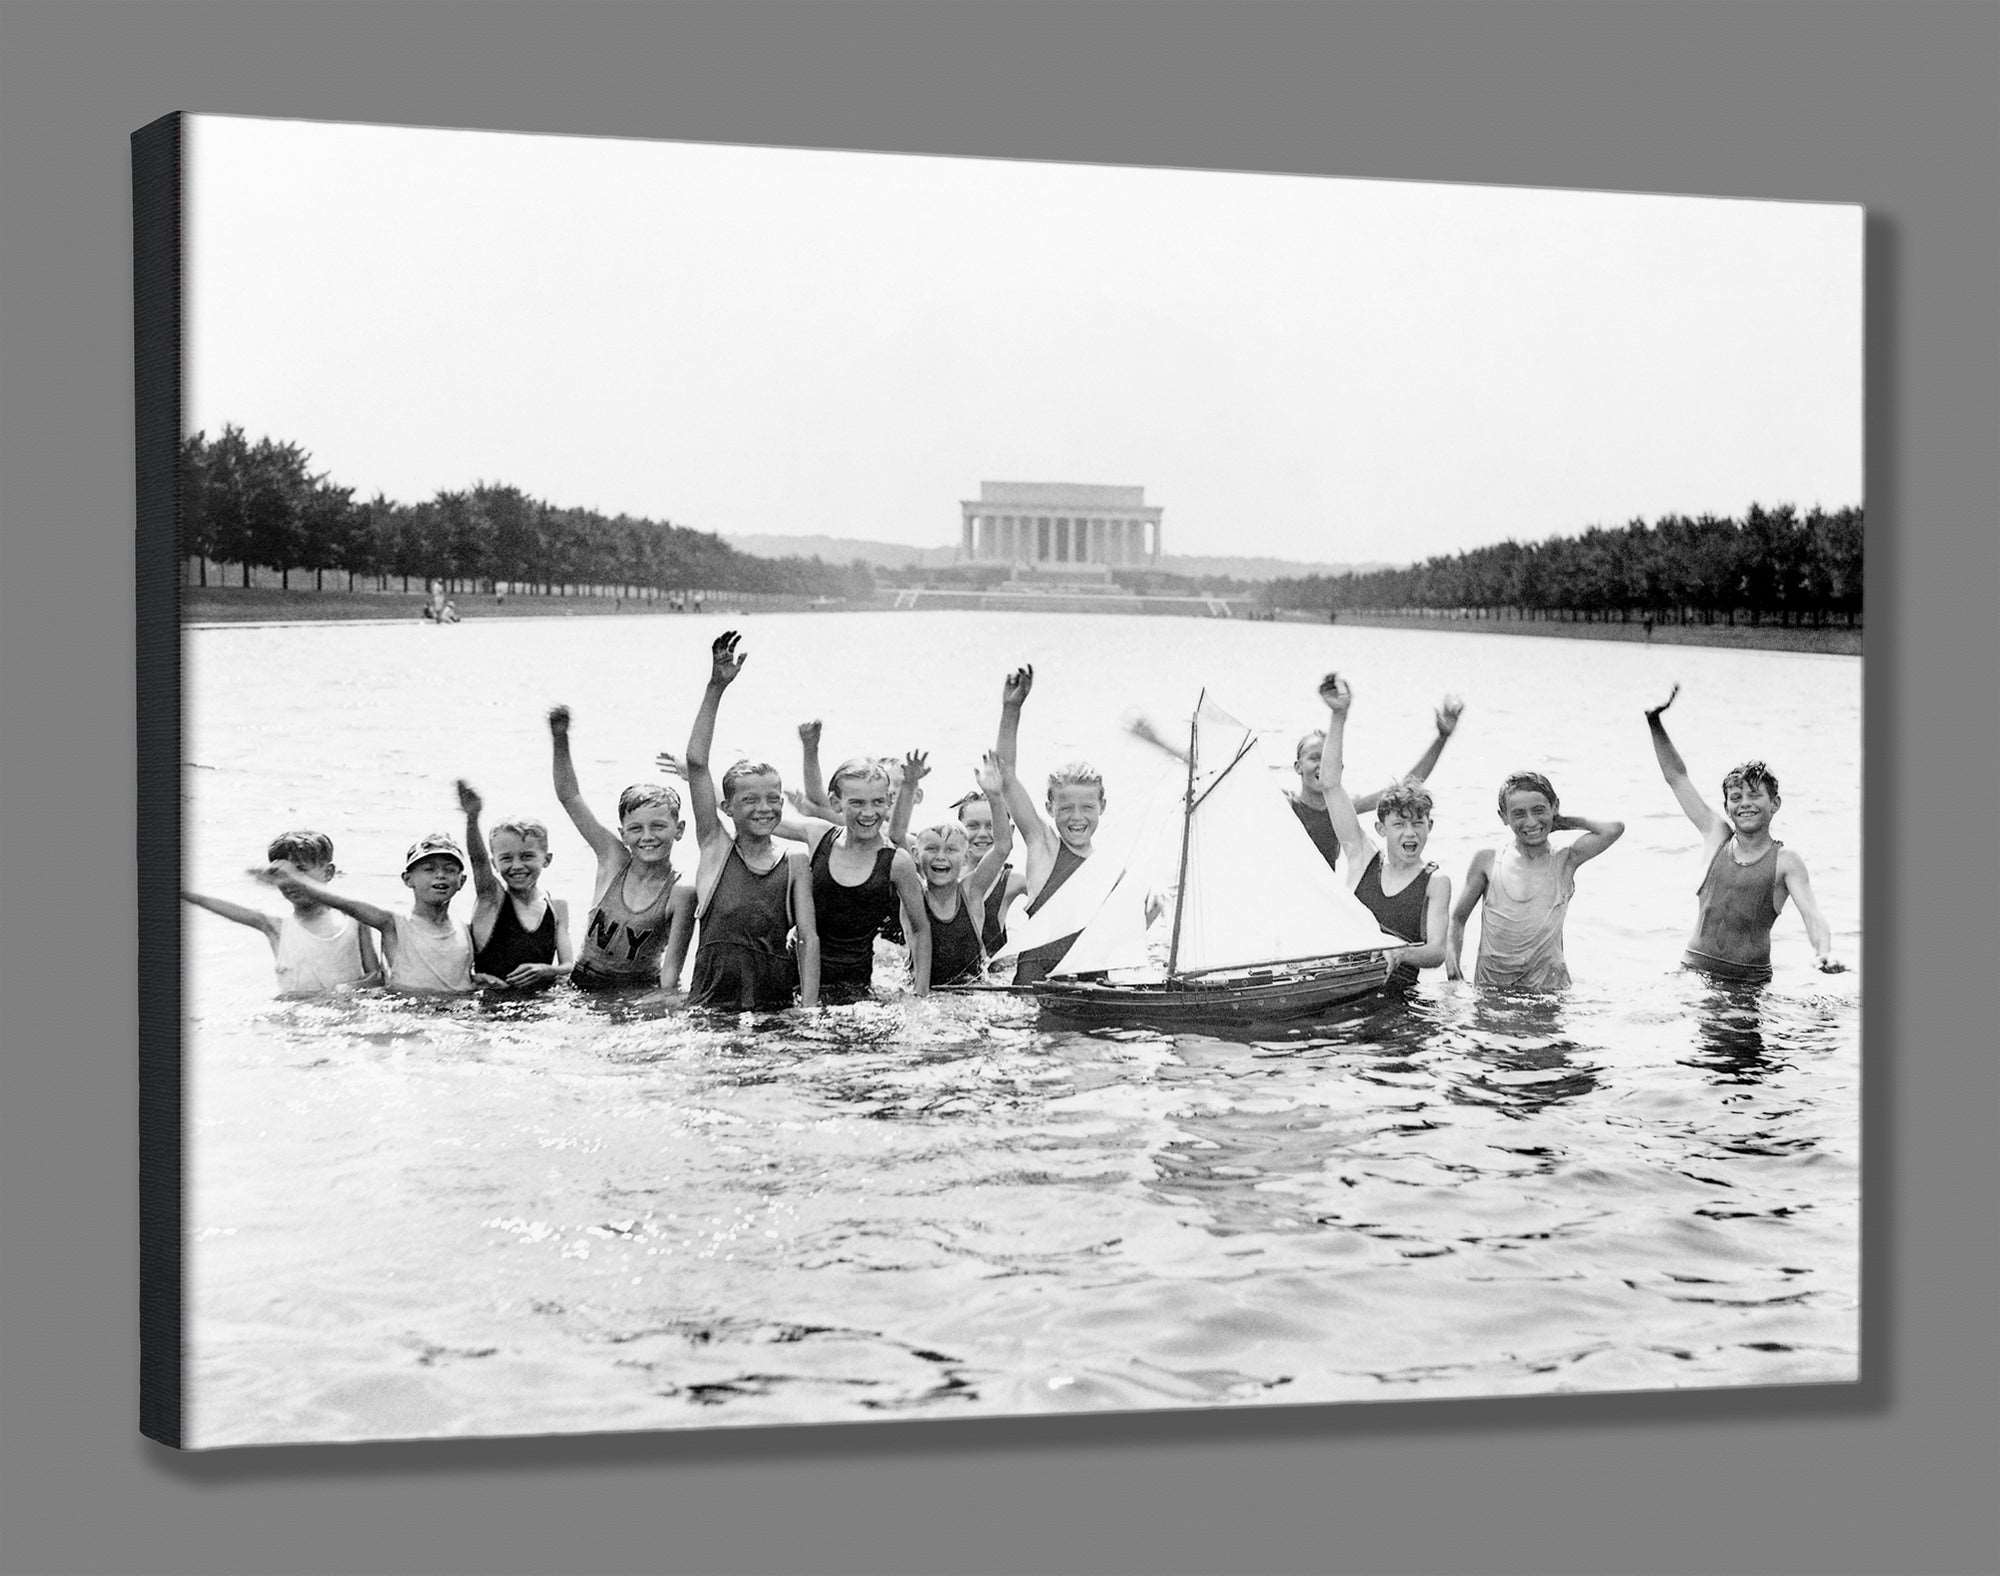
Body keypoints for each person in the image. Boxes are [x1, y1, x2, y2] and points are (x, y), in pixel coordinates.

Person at [1644, 683, 1846, 978]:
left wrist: (1824, 953)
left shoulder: (1786, 861)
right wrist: (1655, 723)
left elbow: (1813, 916)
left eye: (1754, 796)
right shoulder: (1716, 836)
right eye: (1736, 798)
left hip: (1748, 984)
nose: (1745, 804)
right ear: (1727, 807)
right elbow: (1676, 777)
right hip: (1693, 973)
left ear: (1775, 803)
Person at [682, 630, 820, 1011]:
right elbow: (696, 763)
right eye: (750, 800)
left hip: (773, 1003)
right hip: (711, 1003)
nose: (764, 808)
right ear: (727, 808)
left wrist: (808, 1010)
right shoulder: (714, 846)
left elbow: (807, 937)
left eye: (773, 799)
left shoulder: (794, 862)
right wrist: (716, 687)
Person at [1312, 674, 1452, 985]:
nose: (1410, 833)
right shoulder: (1362, 857)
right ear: (1380, 828)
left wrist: (1399, 953)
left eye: (1417, 824)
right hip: (1341, 987)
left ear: (1430, 826)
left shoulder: (1436, 881)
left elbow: (1436, 952)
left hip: (1398, 997)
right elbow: (1331, 784)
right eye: (1399, 824)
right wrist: (1339, 716)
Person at [548, 704, 696, 994]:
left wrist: (663, 1002)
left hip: (634, 991)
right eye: (636, 829)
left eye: (658, 826)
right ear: (623, 834)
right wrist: (560, 739)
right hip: (581, 983)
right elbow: (570, 796)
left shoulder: (682, 891)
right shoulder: (613, 858)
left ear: (679, 830)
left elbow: (671, 971)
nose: (647, 837)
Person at [251, 829, 492, 995]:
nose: (440, 875)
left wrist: (479, 981)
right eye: (428, 869)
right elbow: (349, 905)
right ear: (408, 879)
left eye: (449, 870)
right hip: (413, 1013)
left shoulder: (465, 928)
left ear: (461, 881)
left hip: (459, 1013)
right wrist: (297, 881)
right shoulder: (394, 923)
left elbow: (460, 975)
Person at [993, 663, 1115, 986]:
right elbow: (1005, 778)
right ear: (1049, 807)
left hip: (1094, 985)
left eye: (1087, 807)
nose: (1077, 817)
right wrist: (1011, 709)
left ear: (1102, 806)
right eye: (1066, 808)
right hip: (1037, 986)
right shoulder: (1043, 845)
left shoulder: (1109, 867)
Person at [1446, 771, 1624, 990]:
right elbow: (1457, 920)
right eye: (1519, 814)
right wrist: (1454, 975)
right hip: (1492, 987)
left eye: (1539, 810)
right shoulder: (1488, 860)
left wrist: (1561, 822)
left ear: (1554, 806)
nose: (1530, 821)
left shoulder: (1565, 860)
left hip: (1548, 987)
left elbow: (1613, 829)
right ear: (1503, 817)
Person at [790, 756, 931, 1004]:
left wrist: (920, 995)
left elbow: (920, 929)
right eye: (856, 803)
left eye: (878, 802)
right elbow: (759, 822)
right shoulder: (819, 835)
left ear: (888, 801)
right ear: (836, 803)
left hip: (853, 984)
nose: (869, 812)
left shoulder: (897, 862)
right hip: (793, 971)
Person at [182, 829, 381, 997]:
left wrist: (344, 990)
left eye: (300, 870)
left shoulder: (353, 921)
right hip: (297, 1021)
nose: (290, 881)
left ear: (328, 872)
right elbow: (214, 904)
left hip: (344, 1015)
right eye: (280, 874)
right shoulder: (277, 926)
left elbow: (377, 976)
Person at [1287, 694, 1464, 872]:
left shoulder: (1345, 807)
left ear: (1338, 766)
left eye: (1327, 759)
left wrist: (1442, 738)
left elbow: (1408, 785)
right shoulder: (1283, 804)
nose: (1322, 765)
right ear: (1298, 767)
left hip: (1323, 894)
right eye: (1314, 758)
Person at [911, 752, 1015, 986]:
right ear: (917, 856)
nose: (941, 857)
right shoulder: (913, 891)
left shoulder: (971, 891)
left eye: (950, 850)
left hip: (971, 991)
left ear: (964, 853)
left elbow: (1003, 846)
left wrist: (995, 796)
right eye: (933, 850)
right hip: (928, 993)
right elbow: (896, 838)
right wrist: (909, 787)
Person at [458, 781, 573, 992]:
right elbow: (478, 861)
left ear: (546, 859)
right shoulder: (491, 900)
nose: (517, 866)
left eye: (527, 856)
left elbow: (567, 966)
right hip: (493, 1011)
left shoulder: (557, 906)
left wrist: (547, 970)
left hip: (541, 1011)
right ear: (495, 864)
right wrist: (472, 819)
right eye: (506, 858)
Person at [954, 785, 1027, 956]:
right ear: (958, 830)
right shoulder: (944, 876)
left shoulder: (1012, 882)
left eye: (991, 826)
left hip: (993, 976)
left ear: (1009, 831)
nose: (982, 834)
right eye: (973, 826)